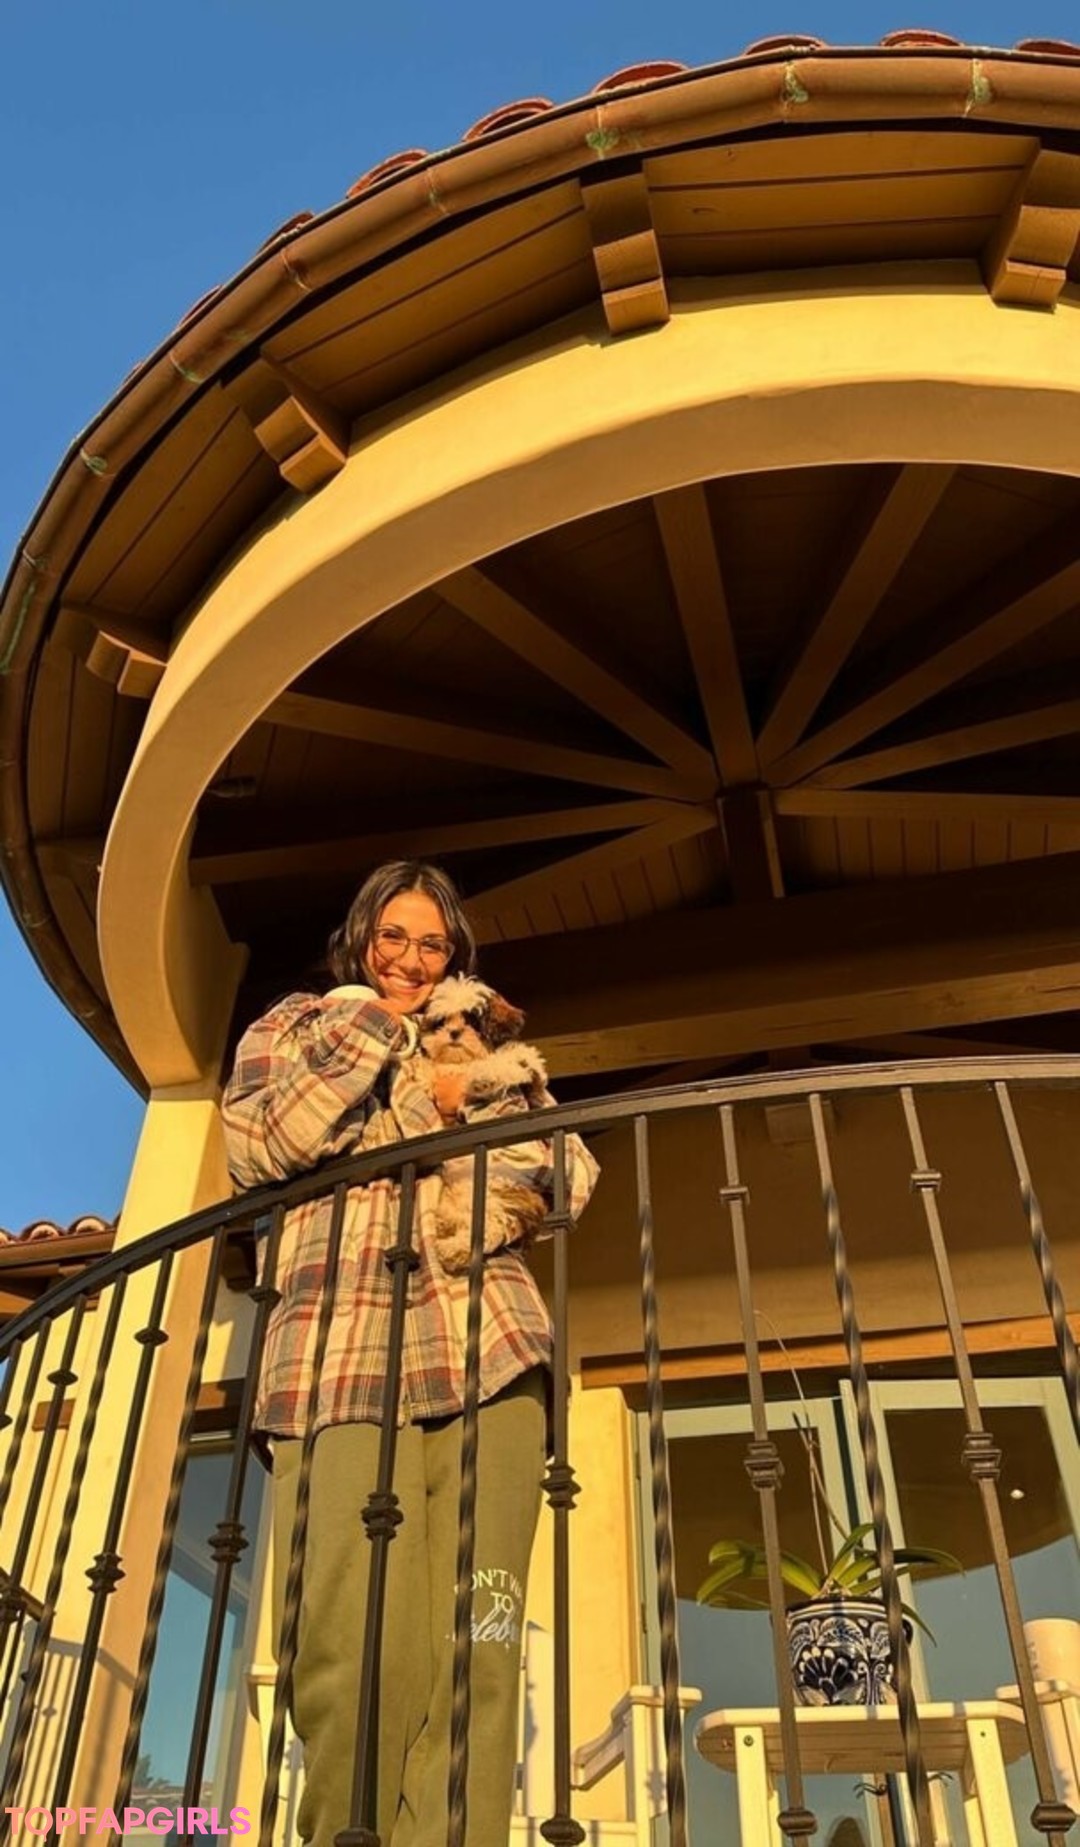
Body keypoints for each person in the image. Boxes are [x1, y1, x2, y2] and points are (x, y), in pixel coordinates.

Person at [221, 861, 598, 1847]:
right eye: (393, 935)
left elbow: (562, 1169)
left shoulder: (488, 1047)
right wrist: (397, 1050)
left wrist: (426, 1110)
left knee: (482, 1643)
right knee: (348, 1645)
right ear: (359, 939)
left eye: (433, 945)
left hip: (491, 1347)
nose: (411, 959)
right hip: (334, 1359)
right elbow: (263, 1144)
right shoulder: (297, 1024)